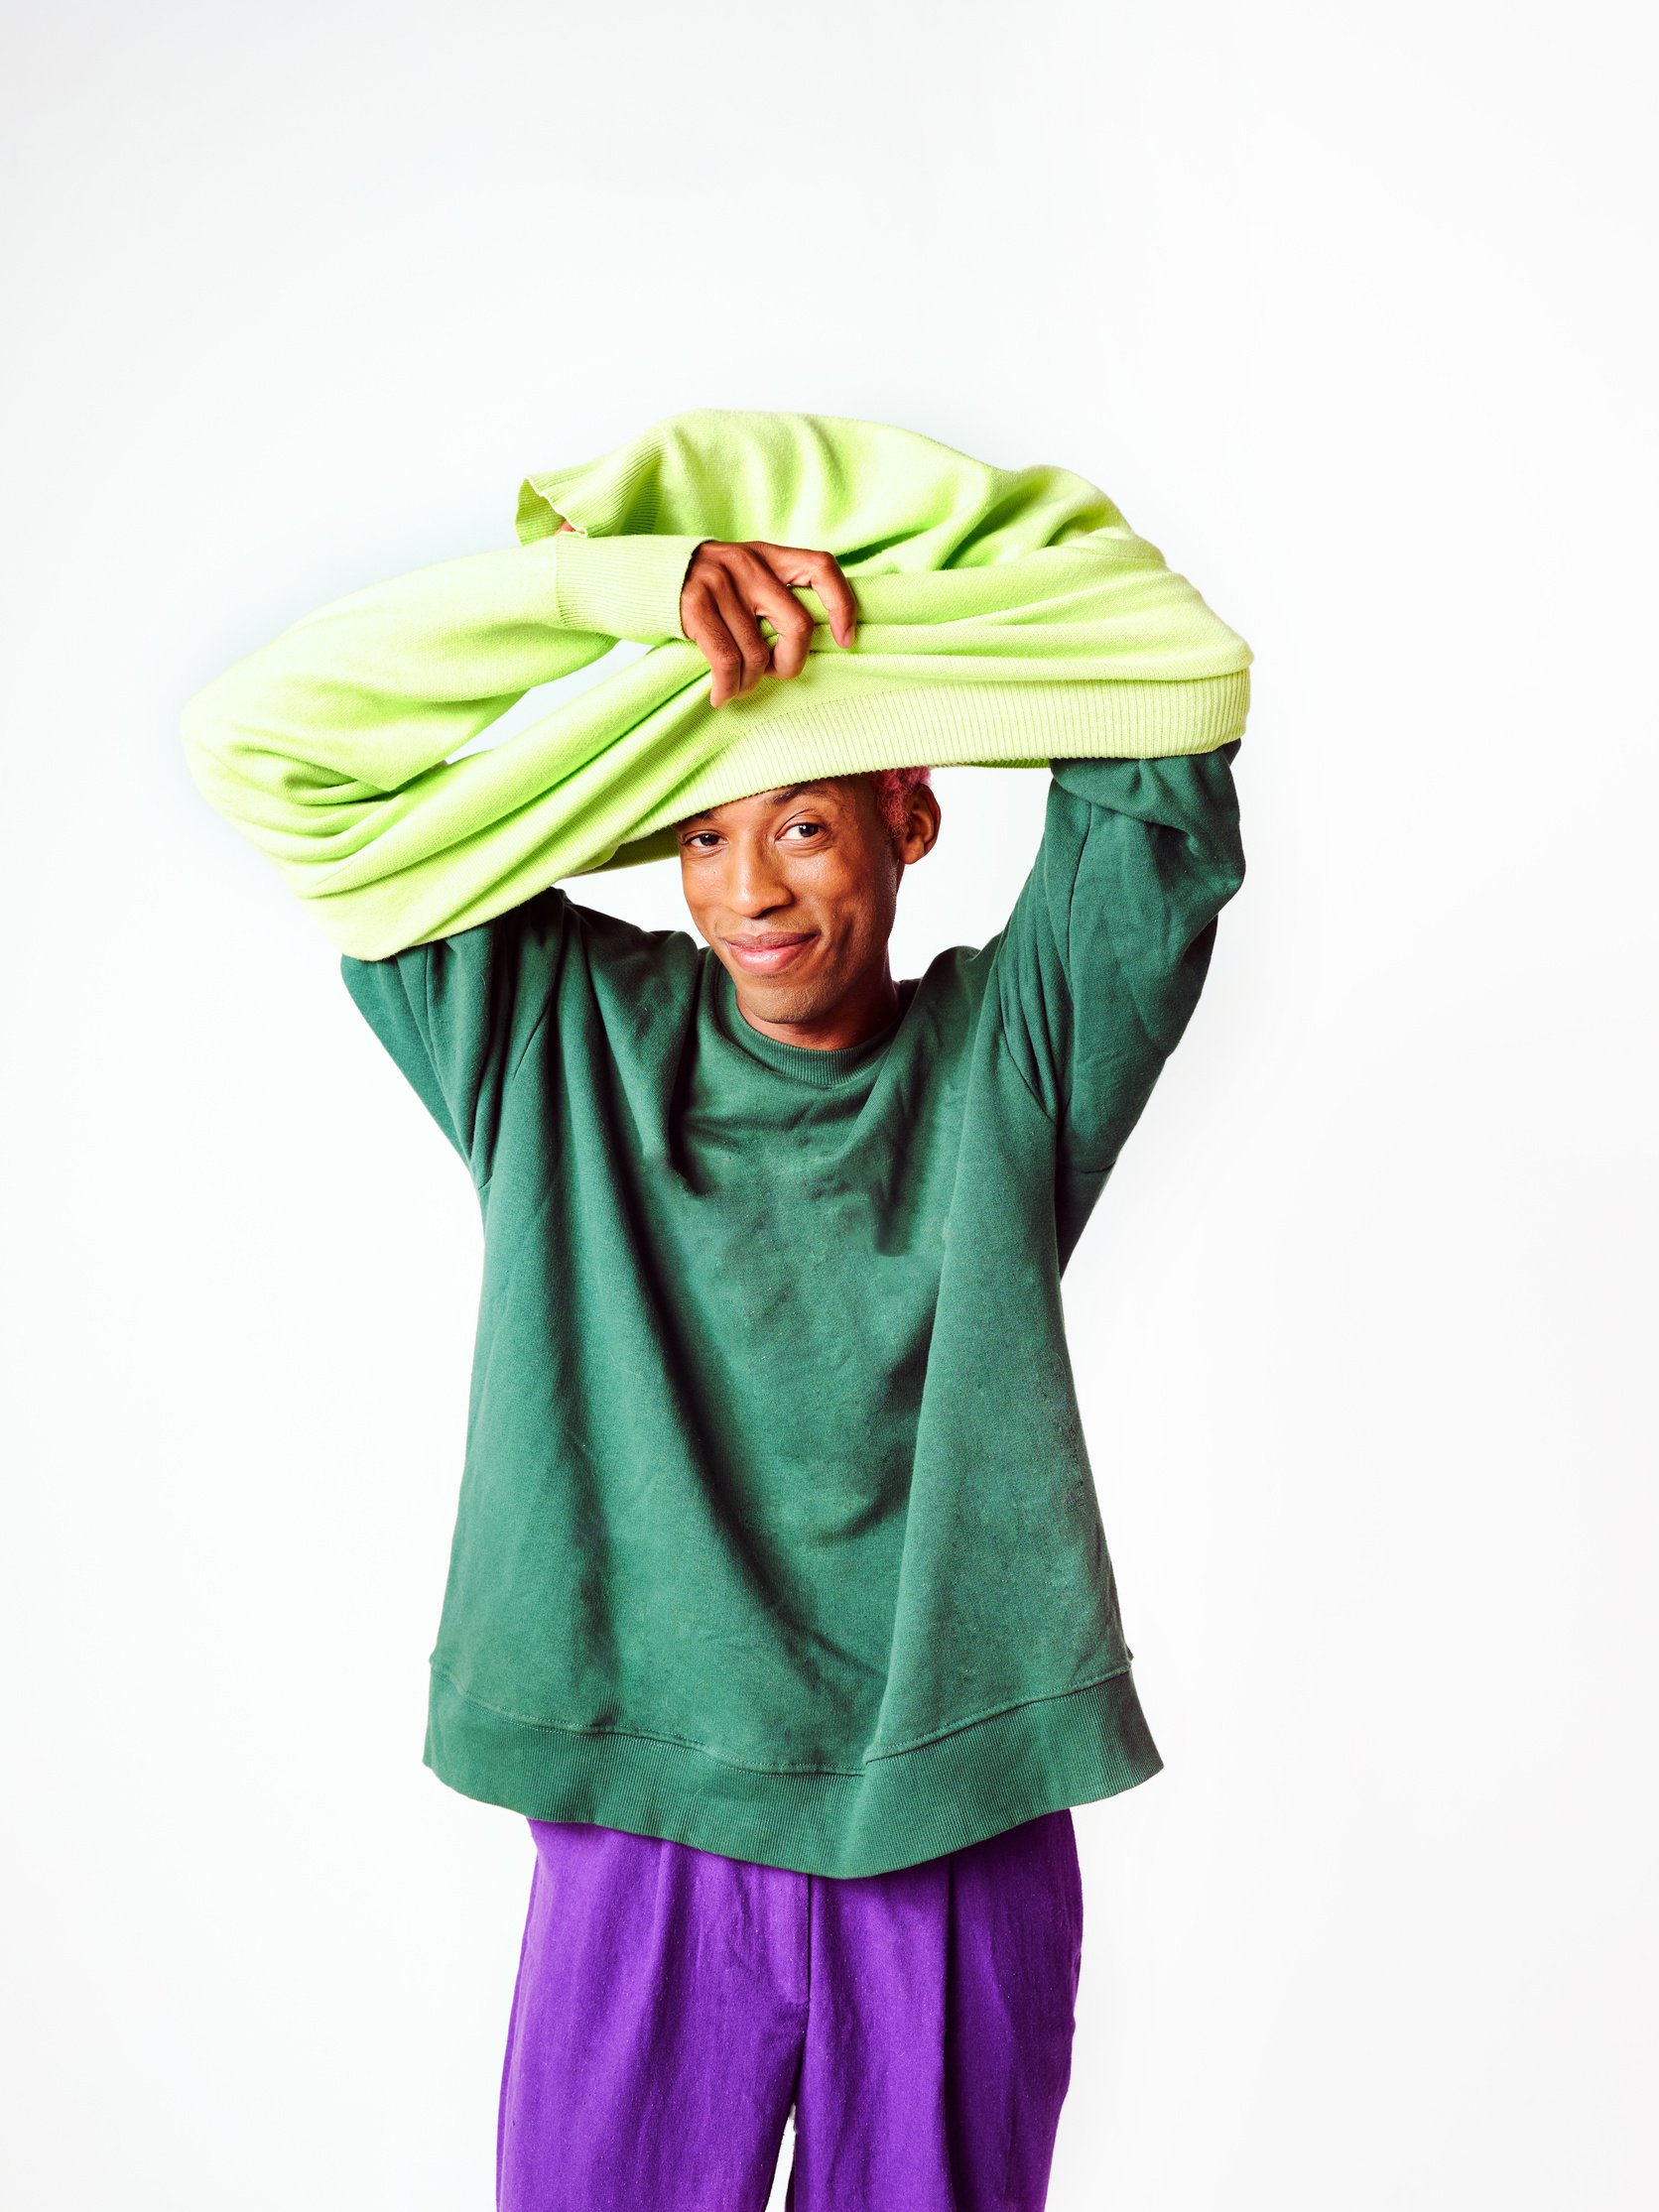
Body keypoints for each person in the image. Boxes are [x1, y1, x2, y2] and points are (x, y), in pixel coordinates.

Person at [182, 425, 1247, 2212]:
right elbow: (270, 749)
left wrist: (861, 594)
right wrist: (629, 599)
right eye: (700, 828)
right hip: (641, 1814)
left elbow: (1174, 679)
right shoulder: (551, 1036)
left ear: (913, 814)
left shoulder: (1017, 1055)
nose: (751, 888)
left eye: (810, 818)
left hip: (950, 1813)